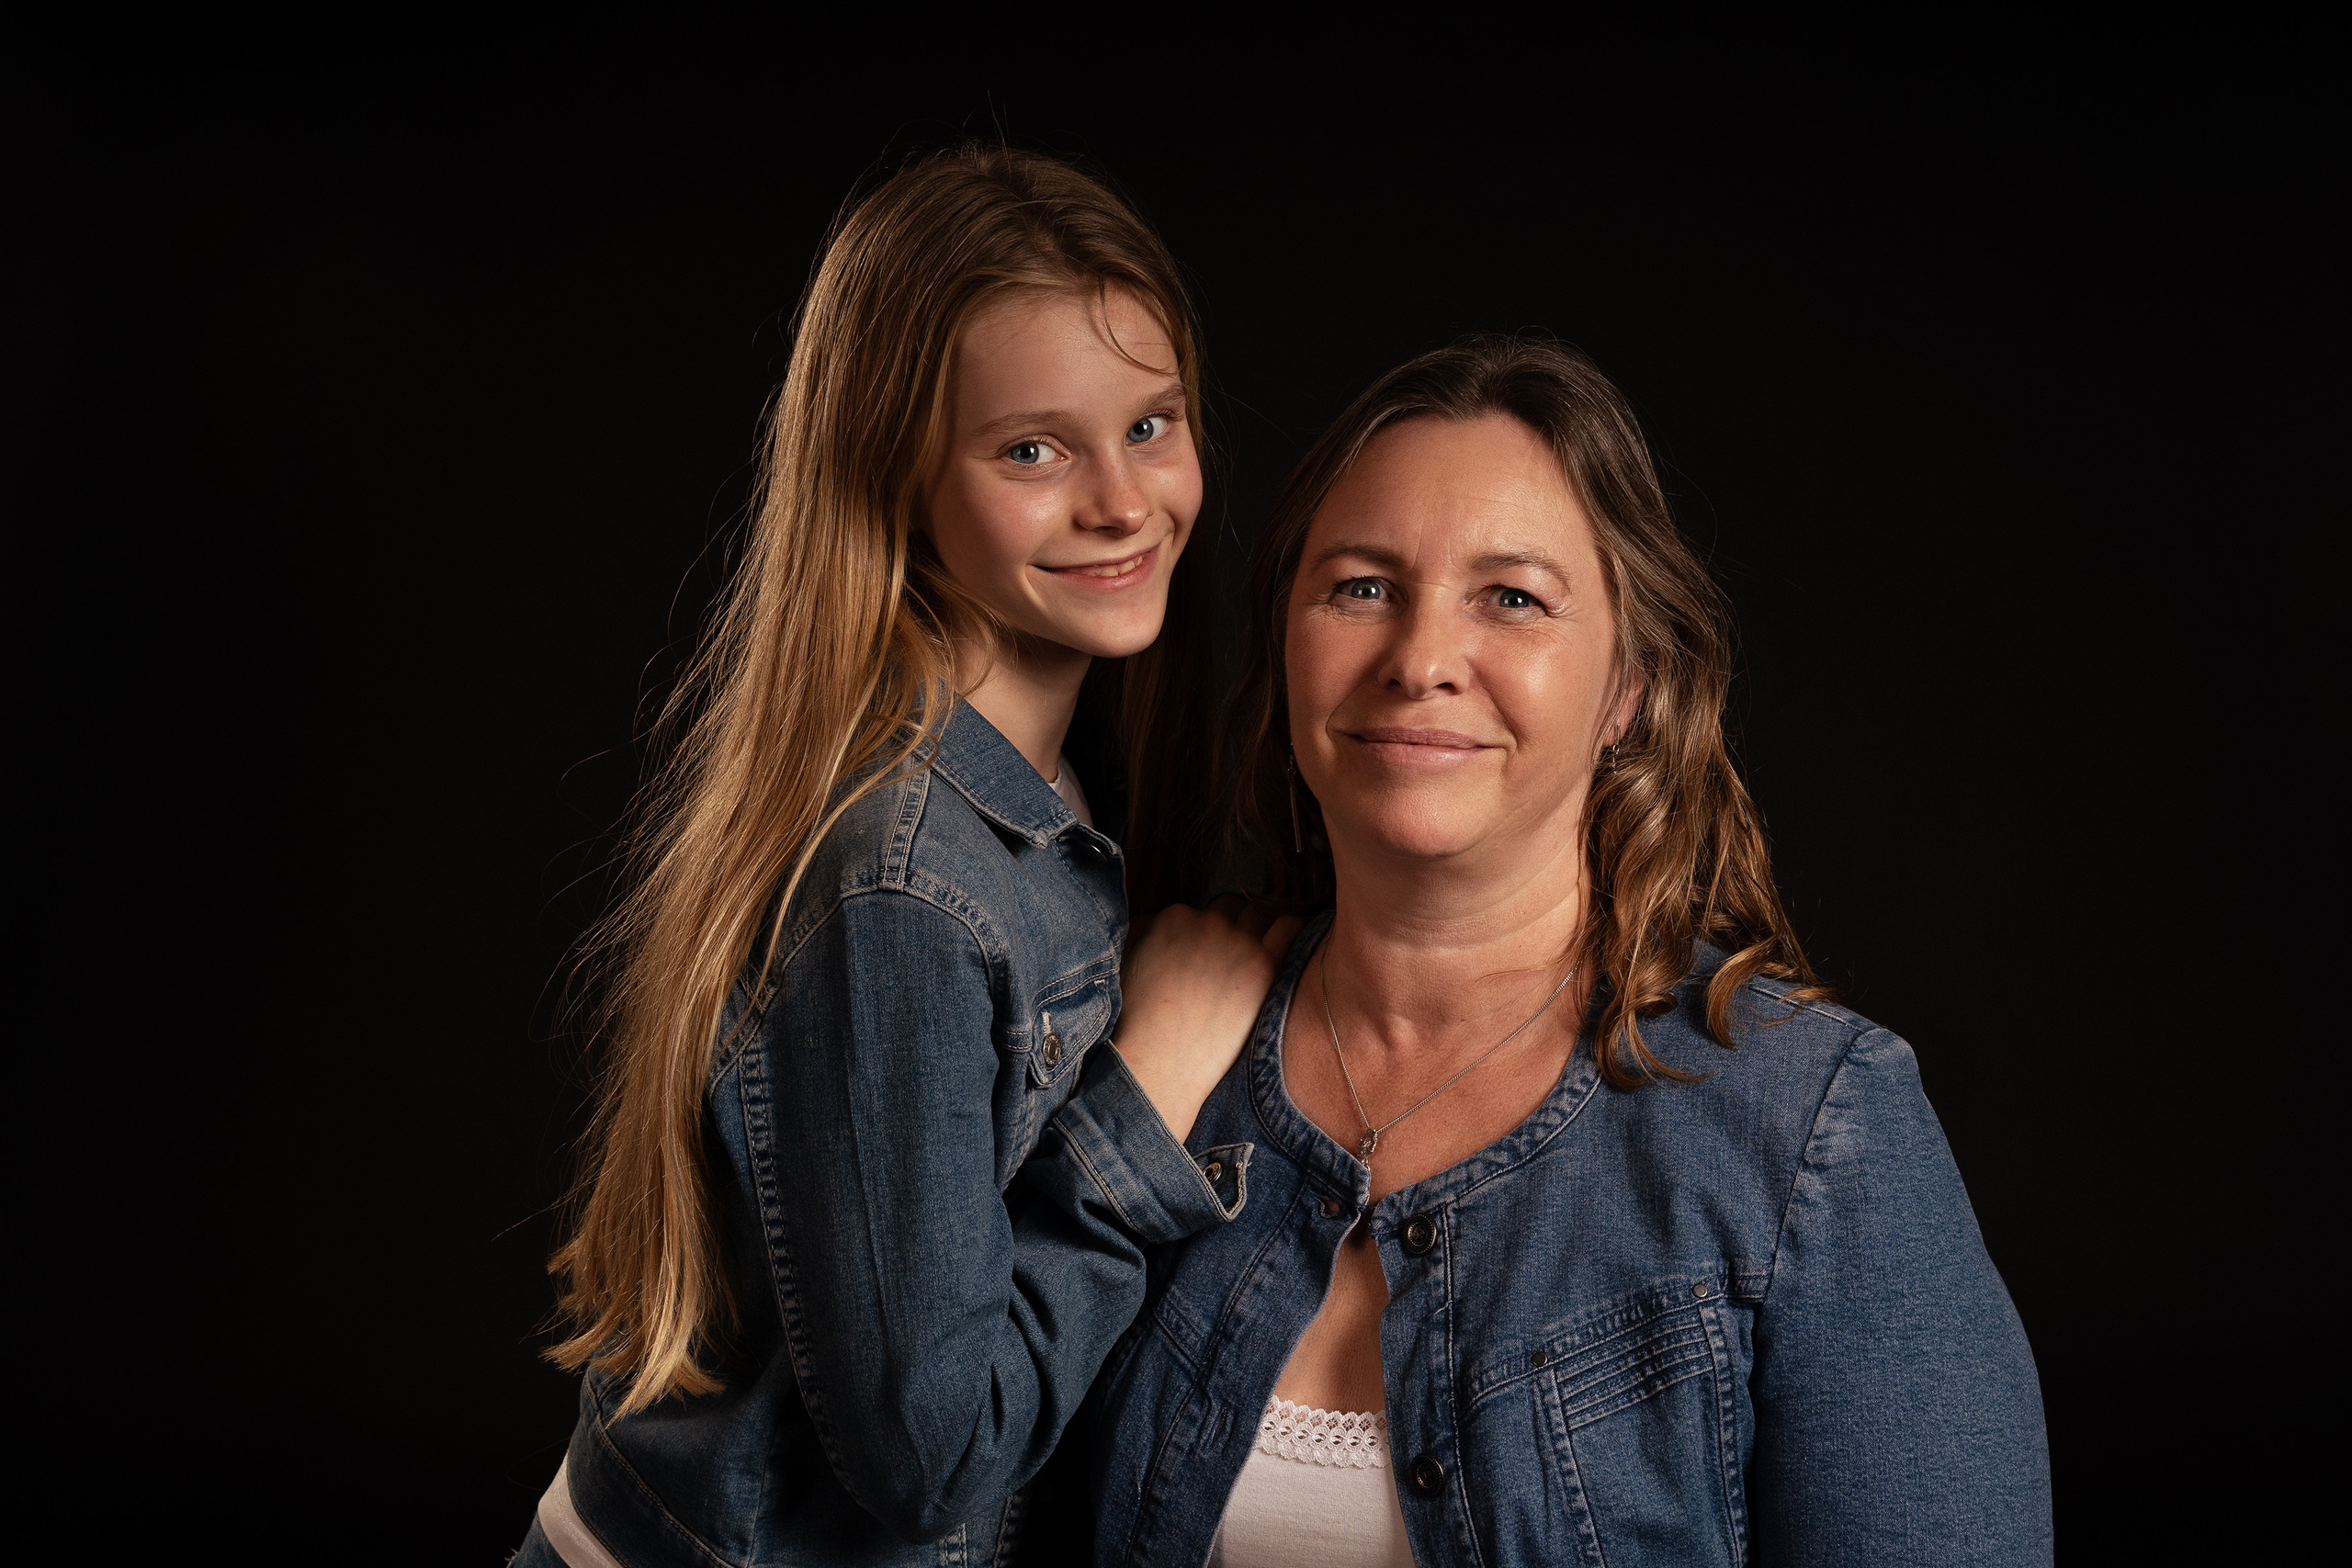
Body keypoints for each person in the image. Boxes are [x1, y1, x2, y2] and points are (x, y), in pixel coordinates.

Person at [1084, 335, 2052, 1567]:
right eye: (1362, 586)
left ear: (1628, 692)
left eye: (1514, 598)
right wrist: (1124, 1116)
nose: (1421, 659)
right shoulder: (1145, 1052)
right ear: (1287, 642)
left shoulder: (1808, 1130)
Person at [514, 146, 1298, 1568]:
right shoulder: (906, 889)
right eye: (1031, 451)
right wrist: (1154, 1090)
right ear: (894, 475)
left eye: (1151, 423)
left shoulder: (1061, 786)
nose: (1122, 502)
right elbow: (936, 1458)